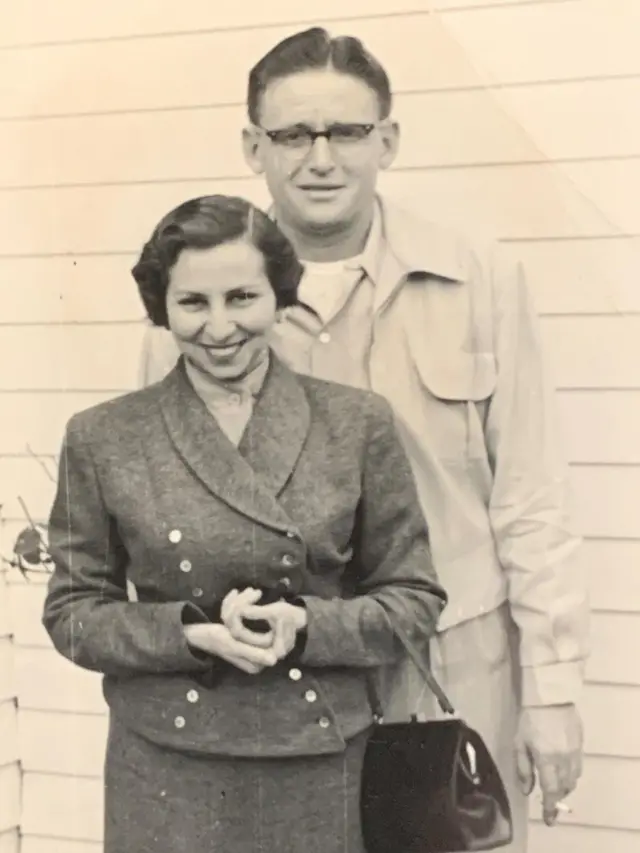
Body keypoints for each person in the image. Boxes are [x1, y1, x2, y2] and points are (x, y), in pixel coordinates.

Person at [139, 27, 590, 852]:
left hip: (447, 668)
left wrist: (553, 691)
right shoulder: (200, 300)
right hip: (274, 683)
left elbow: (533, 495)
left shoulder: (476, 277)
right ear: (253, 146)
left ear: (387, 139)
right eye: (292, 134)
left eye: (346, 132)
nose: (320, 158)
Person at [42, 194, 447, 853]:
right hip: (167, 761)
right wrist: (190, 635)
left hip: (316, 753)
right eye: (193, 303)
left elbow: (414, 600)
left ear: (280, 297)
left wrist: (307, 625)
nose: (220, 326)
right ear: (162, 308)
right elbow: (72, 612)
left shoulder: (358, 423)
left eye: (242, 297)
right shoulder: (103, 436)